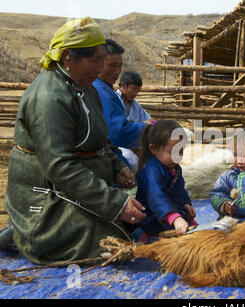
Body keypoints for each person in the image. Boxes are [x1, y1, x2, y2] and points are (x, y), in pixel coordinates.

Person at [0, 17, 147, 264]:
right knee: (109, 240)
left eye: (103, 59)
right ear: (68, 58)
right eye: (95, 60)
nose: (101, 68)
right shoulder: (49, 97)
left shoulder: (86, 87)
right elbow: (59, 167)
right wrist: (115, 203)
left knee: (140, 211)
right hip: (46, 194)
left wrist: (117, 165)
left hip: (78, 187)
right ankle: (27, 233)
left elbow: (102, 140)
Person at [132, 120, 198, 240]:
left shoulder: (174, 167)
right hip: (153, 218)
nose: (178, 156)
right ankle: (144, 235)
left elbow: (179, 190)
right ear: (153, 148)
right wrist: (175, 218)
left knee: (197, 232)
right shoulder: (150, 170)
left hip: (173, 213)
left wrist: (186, 204)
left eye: (181, 151)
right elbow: (156, 197)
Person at [93, 39, 147, 167]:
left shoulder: (134, 105)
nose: (118, 71)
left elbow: (147, 119)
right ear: (98, 62)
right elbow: (118, 133)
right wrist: (148, 129)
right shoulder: (102, 92)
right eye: (112, 65)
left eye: (120, 66)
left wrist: (151, 124)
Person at [115, 71, 153, 168]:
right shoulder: (113, 101)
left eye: (138, 90)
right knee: (130, 159)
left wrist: (152, 123)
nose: (136, 93)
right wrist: (142, 125)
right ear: (123, 86)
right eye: (134, 89)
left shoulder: (135, 106)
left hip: (133, 143)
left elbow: (151, 120)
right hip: (116, 145)